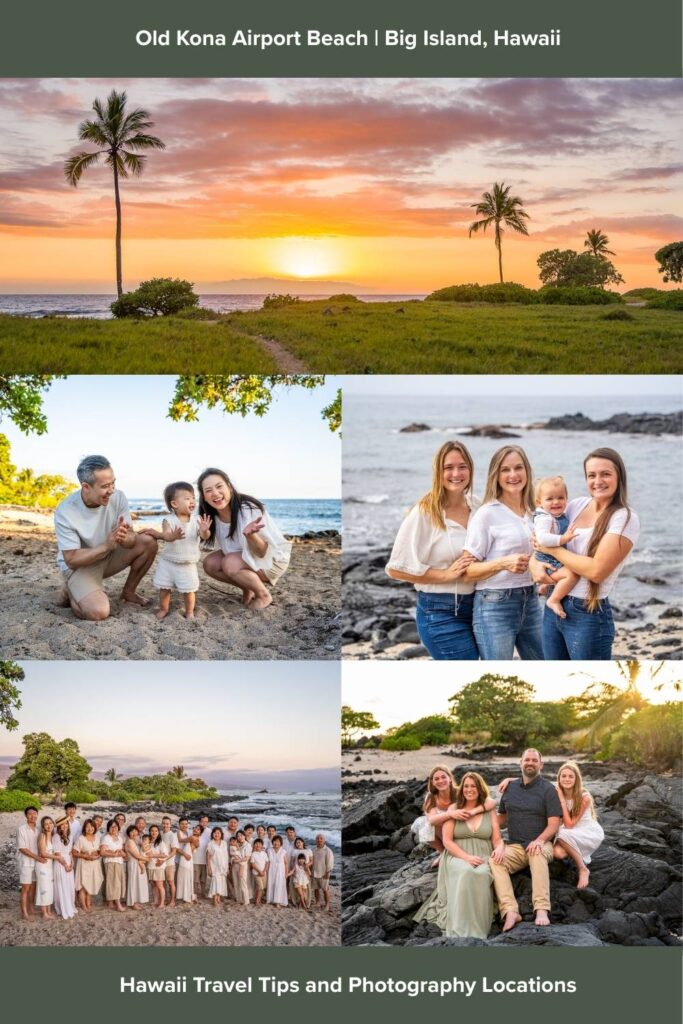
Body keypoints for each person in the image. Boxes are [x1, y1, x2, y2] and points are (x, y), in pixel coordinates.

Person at [532, 448, 639, 660]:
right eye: (591, 475)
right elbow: (537, 541)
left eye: (605, 474)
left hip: (588, 613)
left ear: (619, 476)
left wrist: (552, 549)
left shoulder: (624, 518)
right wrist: (534, 565)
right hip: (554, 604)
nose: (598, 481)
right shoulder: (575, 506)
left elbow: (596, 571)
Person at [386, 441, 480, 659]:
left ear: (470, 470)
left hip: (479, 608)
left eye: (462, 466)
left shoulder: (477, 505)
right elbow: (395, 569)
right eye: (448, 467)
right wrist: (446, 575)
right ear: (438, 471)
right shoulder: (424, 512)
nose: (456, 473)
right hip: (440, 612)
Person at [54, 454, 157, 621]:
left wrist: (125, 538)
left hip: (108, 557)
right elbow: (71, 559)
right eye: (105, 486)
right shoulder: (66, 510)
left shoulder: (118, 497)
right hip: (79, 566)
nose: (112, 490)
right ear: (86, 487)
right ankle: (72, 592)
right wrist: (106, 546)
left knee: (148, 542)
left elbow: (131, 540)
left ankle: (129, 591)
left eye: (113, 483)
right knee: (98, 612)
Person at [463, 446, 543, 660]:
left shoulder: (535, 513)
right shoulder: (486, 514)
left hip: (532, 601)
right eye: (505, 470)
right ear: (495, 476)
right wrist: (502, 563)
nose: (513, 475)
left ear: (527, 471)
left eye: (518, 468)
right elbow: (467, 571)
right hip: (494, 605)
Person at [414, 772, 504, 939]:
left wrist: (500, 848)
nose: (470, 789)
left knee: (483, 873)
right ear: (461, 789)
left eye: (474, 786)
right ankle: (460, 931)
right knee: (466, 872)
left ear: (480, 788)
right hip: (457, 855)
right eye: (467, 786)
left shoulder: (488, 809)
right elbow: (447, 841)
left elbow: (497, 838)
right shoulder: (454, 809)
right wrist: (467, 858)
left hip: (483, 855)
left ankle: (479, 930)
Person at [198, 468, 292, 611]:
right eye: (209, 490)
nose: (215, 493)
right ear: (204, 496)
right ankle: (248, 588)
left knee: (229, 562)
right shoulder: (211, 517)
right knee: (210, 563)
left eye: (219, 486)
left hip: (272, 560)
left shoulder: (248, 509)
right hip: (244, 557)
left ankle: (263, 595)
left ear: (229, 487)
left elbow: (262, 553)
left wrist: (251, 535)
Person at [489, 749, 562, 931]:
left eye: (534, 760)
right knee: (495, 861)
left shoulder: (548, 790)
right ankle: (510, 911)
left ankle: (542, 909)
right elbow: (502, 819)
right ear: (520, 763)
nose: (530, 763)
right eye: (527, 760)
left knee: (536, 852)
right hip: (516, 847)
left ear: (541, 765)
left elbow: (554, 824)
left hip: (542, 843)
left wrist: (539, 840)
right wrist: (477, 825)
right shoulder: (510, 788)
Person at [139, 481, 211, 620]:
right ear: (174, 504)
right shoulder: (168, 520)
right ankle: (164, 609)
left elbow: (204, 536)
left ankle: (189, 611)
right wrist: (173, 536)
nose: (192, 501)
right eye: (187, 498)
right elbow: (166, 535)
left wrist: (205, 531)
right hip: (169, 562)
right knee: (165, 588)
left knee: (189, 590)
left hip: (188, 563)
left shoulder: (197, 520)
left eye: (193, 498)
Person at [532, 476, 580, 618]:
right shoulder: (545, 518)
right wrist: (563, 539)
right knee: (572, 575)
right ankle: (553, 600)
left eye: (560, 497)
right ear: (539, 502)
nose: (556, 502)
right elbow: (542, 538)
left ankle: (545, 587)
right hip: (548, 561)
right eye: (550, 499)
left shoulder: (558, 515)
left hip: (554, 557)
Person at [553, 761, 604, 889]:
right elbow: (537, 783)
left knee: (561, 833)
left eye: (571, 776)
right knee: (557, 853)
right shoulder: (556, 792)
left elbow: (569, 825)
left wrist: (561, 800)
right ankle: (574, 851)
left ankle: (583, 869)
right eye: (563, 776)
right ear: (558, 778)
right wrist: (509, 779)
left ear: (577, 779)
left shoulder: (584, 797)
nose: (567, 779)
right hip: (569, 831)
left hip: (587, 832)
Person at [74, 818, 104, 912]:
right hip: (84, 864)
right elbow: (74, 852)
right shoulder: (81, 838)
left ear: (94, 828)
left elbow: (100, 851)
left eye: (91, 826)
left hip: (94, 864)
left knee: (90, 884)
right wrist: (85, 855)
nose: (90, 828)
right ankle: (84, 905)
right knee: (83, 886)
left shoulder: (97, 838)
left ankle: (88, 902)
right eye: (87, 826)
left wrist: (97, 853)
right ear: (84, 828)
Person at [17, 805, 40, 921]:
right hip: (26, 862)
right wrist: (37, 857)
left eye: (35, 813)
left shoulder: (39, 828)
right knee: (26, 888)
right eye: (30, 814)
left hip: (37, 863)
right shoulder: (21, 829)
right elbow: (22, 848)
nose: (33, 816)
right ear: (26, 815)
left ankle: (31, 908)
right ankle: (24, 912)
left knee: (34, 887)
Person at [52, 816, 77, 920]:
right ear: (58, 826)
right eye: (62, 824)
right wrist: (65, 865)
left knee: (69, 885)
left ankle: (70, 905)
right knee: (62, 885)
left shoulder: (69, 836)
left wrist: (71, 863)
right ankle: (62, 908)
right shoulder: (56, 837)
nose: (64, 826)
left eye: (66, 823)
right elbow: (57, 853)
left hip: (68, 860)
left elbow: (70, 851)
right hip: (60, 863)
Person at [100, 819, 126, 912]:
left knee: (116, 882)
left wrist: (119, 853)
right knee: (114, 883)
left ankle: (111, 902)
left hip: (119, 862)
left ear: (118, 828)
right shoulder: (106, 838)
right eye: (111, 826)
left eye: (115, 826)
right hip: (110, 862)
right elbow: (102, 852)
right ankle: (118, 904)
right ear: (108, 828)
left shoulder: (120, 838)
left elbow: (123, 853)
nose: (114, 828)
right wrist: (114, 854)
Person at [35, 816, 58, 919]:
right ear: (43, 826)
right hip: (42, 865)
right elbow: (43, 853)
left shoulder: (53, 836)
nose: (49, 826)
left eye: (50, 823)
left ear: (53, 824)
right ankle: (44, 913)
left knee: (49, 888)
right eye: (46, 824)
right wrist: (57, 857)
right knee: (43, 888)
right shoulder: (42, 836)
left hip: (49, 866)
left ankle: (48, 911)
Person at [124, 825, 149, 910]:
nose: (134, 833)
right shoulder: (129, 842)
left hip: (137, 863)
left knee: (138, 882)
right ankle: (133, 902)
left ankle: (136, 901)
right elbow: (136, 855)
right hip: (133, 863)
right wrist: (147, 859)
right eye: (132, 832)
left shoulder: (135, 841)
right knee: (133, 882)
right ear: (128, 834)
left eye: (135, 831)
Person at [311, 833, 334, 912]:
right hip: (314, 873)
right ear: (315, 840)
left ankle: (327, 905)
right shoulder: (313, 850)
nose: (319, 840)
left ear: (324, 840)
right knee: (316, 889)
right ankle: (318, 902)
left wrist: (327, 875)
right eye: (317, 838)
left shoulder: (328, 851)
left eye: (321, 838)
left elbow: (330, 864)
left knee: (325, 890)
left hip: (324, 874)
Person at [159, 816, 179, 907]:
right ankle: (164, 899)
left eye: (167, 824)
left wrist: (164, 859)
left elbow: (174, 851)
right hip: (160, 863)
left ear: (170, 825)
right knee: (162, 882)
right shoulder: (160, 834)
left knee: (170, 882)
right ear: (161, 824)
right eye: (163, 823)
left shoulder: (172, 835)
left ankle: (172, 900)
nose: (165, 825)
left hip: (169, 863)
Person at [175, 818, 196, 905]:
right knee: (179, 878)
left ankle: (187, 895)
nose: (184, 825)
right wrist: (190, 839)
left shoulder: (188, 832)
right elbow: (178, 844)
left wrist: (193, 844)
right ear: (179, 825)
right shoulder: (177, 832)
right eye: (182, 824)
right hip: (179, 858)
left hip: (187, 859)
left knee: (187, 877)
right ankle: (180, 895)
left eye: (186, 824)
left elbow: (194, 844)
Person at [206, 827, 229, 906]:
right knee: (215, 882)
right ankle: (214, 899)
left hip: (223, 866)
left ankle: (218, 898)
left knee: (221, 882)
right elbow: (208, 857)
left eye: (218, 833)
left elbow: (226, 855)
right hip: (214, 866)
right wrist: (209, 868)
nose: (216, 834)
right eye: (215, 832)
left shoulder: (224, 843)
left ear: (221, 834)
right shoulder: (210, 843)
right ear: (212, 834)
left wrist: (227, 867)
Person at [147, 824, 168, 909]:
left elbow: (165, 855)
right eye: (152, 831)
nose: (154, 832)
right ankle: (155, 900)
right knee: (153, 885)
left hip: (158, 867)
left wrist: (153, 856)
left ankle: (162, 903)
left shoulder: (161, 842)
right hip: (150, 866)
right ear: (149, 832)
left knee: (159, 885)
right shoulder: (148, 842)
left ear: (158, 832)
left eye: (156, 831)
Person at [266, 835, 289, 907]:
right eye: (275, 841)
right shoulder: (269, 850)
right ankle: (271, 899)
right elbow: (268, 862)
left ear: (281, 842)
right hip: (271, 870)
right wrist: (266, 871)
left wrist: (286, 873)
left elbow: (286, 863)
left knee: (279, 885)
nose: (276, 843)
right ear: (272, 842)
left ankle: (278, 902)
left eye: (278, 841)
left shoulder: (283, 851)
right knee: (271, 884)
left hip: (280, 871)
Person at [250, 838, 269, 906]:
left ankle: (259, 900)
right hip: (257, 873)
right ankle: (257, 901)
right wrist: (259, 871)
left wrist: (264, 871)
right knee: (260, 887)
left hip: (264, 873)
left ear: (262, 845)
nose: (258, 845)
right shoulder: (253, 854)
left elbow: (267, 862)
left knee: (263, 887)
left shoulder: (264, 853)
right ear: (254, 845)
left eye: (259, 844)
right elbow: (253, 864)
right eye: (256, 844)